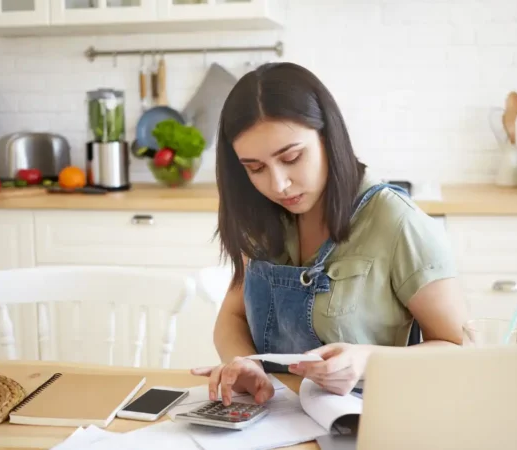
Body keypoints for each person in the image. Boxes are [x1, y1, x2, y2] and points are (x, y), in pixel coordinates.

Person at [191, 62, 468, 406]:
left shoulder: (397, 222)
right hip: (276, 420)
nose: (278, 184)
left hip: (371, 422)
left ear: (328, 136)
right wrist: (245, 363)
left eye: (291, 157)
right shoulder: (260, 217)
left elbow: (459, 350)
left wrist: (367, 359)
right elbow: (232, 316)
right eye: (256, 168)